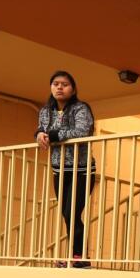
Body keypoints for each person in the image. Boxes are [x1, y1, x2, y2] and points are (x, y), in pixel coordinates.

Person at [35, 70, 96, 267]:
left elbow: (81, 131)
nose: (59, 87)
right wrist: (38, 133)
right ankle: (78, 258)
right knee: (66, 213)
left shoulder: (80, 108)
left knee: (72, 212)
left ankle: (80, 259)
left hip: (82, 169)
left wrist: (52, 135)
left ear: (73, 89)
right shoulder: (46, 110)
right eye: (55, 84)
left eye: (65, 84)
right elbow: (42, 129)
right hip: (59, 169)